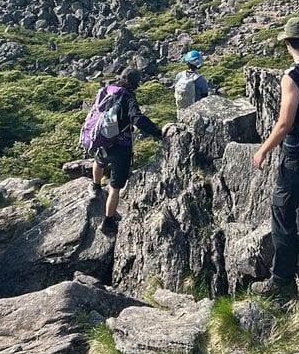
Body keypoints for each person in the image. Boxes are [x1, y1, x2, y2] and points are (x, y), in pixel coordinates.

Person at [251, 17, 299, 305]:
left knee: (281, 213)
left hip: (296, 154)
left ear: (287, 44)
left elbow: (284, 123)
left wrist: (263, 150)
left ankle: (281, 283)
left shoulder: (293, 76)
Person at [90, 67, 172, 236]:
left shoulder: (107, 89)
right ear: (135, 83)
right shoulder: (128, 97)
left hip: (102, 138)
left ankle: (96, 187)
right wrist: (158, 132)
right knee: (115, 187)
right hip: (120, 145)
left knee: (99, 161)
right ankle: (108, 222)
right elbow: (137, 119)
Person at [173, 49, 211, 115]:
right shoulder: (201, 79)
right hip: (196, 113)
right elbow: (205, 98)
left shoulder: (179, 75)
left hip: (181, 111)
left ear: (187, 63)